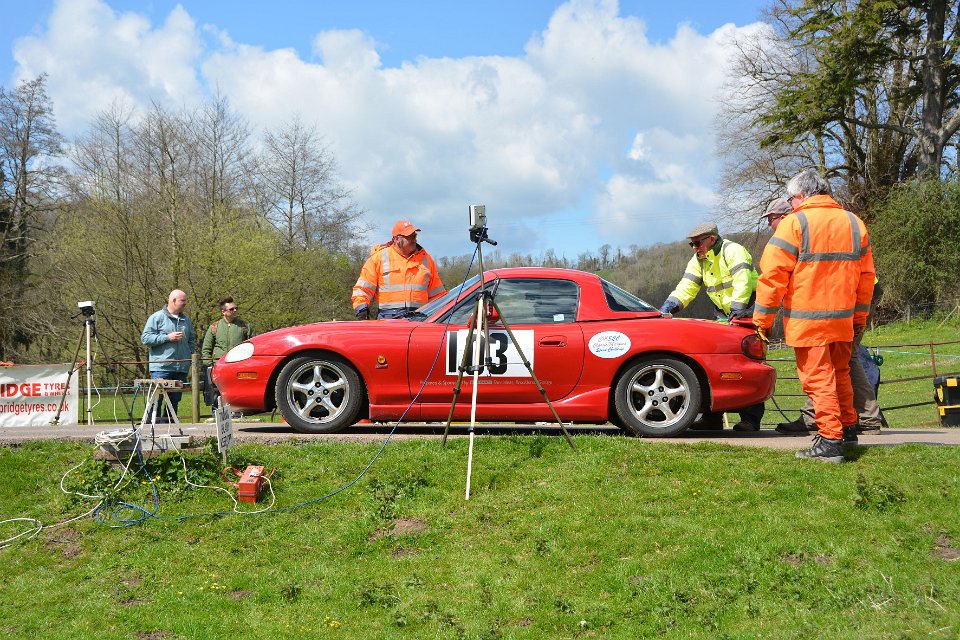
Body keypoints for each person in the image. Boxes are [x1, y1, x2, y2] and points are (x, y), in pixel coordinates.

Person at [754, 169, 875, 462]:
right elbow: (866, 278)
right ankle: (847, 430)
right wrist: (859, 318)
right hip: (843, 319)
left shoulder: (794, 224)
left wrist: (762, 322)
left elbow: (772, 278)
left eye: (790, 198)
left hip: (808, 321)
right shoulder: (854, 223)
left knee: (818, 378)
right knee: (841, 373)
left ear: (799, 196)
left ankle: (830, 441)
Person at [659, 221, 764, 431]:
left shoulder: (733, 250)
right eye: (691, 244)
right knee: (715, 363)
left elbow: (743, 282)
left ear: (712, 239)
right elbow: (686, 287)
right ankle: (712, 418)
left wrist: (737, 311)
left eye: (697, 243)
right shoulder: (698, 260)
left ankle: (750, 420)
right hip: (722, 313)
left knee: (746, 364)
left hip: (746, 310)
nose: (694, 248)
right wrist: (668, 308)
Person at [352, 219, 446, 320]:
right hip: (388, 322)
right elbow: (362, 289)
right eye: (409, 237)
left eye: (414, 236)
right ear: (397, 239)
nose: (414, 239)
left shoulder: (426, 260)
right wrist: (361, 310)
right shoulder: (379, 258)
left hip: (419, 320)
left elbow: (438, 296)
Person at [141, 289, 196, 421]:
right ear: (173, 301)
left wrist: (189, 354)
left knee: (174, 401)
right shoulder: (156, 318)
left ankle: (169, 429)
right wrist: (167, 337)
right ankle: (151, 428)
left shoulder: (186, 320)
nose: (185, 303)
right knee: (156, 399)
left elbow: (191, 339)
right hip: (161, 367)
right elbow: (145, 338)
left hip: (181, 368)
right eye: (183, 300)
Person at [200, 297, 253, 407]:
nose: (235, 311)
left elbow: (254, 345)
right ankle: (216, 413)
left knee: (238, 391)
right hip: (219, 365)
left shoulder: (245, 326)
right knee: (217, 392)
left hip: (239, 365)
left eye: (236, 308)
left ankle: (238, 413)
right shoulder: (214, 327)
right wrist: (209, 365)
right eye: (231, 309)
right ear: (223, 312)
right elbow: (206, 348)